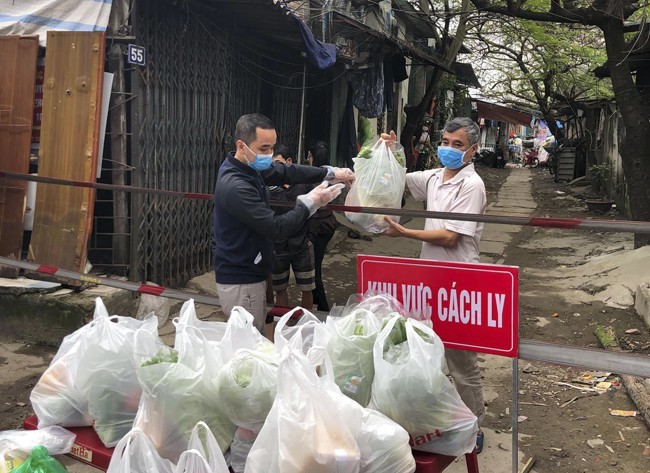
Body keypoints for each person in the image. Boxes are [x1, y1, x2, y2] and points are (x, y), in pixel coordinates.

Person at [380, 117, 487, 453]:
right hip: (429, 281)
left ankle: (475, 425)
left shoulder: (473, 185)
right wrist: (391, 150)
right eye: (445, 141)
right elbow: (396, 178)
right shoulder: (434, 178)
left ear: (473, 149)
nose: (449, 149)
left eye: (458, 144)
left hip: (458, 282)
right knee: (427, 353)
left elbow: (451, 237)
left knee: (460, 361)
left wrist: (405, 233)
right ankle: (439, 420)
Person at [213, 114, 354, 330]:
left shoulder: (249, 167)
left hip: (253, 272)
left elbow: (286, 171)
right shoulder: (236, 185)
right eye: (263, 149)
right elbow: (276, 227)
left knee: (252, 340)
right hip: (241, 279)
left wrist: (329, 172)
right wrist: (309, 203)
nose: (269, 155)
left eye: (272, 148)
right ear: (241, 146)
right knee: (247, 347)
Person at [268, 145, 315, 310]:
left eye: (278, 163)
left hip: (301, 244)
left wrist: (310, 237)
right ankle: (285, 325)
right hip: (278, 246)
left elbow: (314, 210)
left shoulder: (303, 184)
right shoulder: (269, 186)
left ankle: (306, 325)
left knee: (307, 287)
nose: (274, 168)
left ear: (289, 162)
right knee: (280, 288)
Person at [306, 141, 339, 312]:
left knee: (314, 270)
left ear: (311, 156)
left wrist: (310, 236)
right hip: (326, 225)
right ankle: (318, 306)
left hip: (319, 227)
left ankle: (324, 310)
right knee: (313, 268)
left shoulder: (315, 178)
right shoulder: (329, 174)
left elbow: (314, 211)